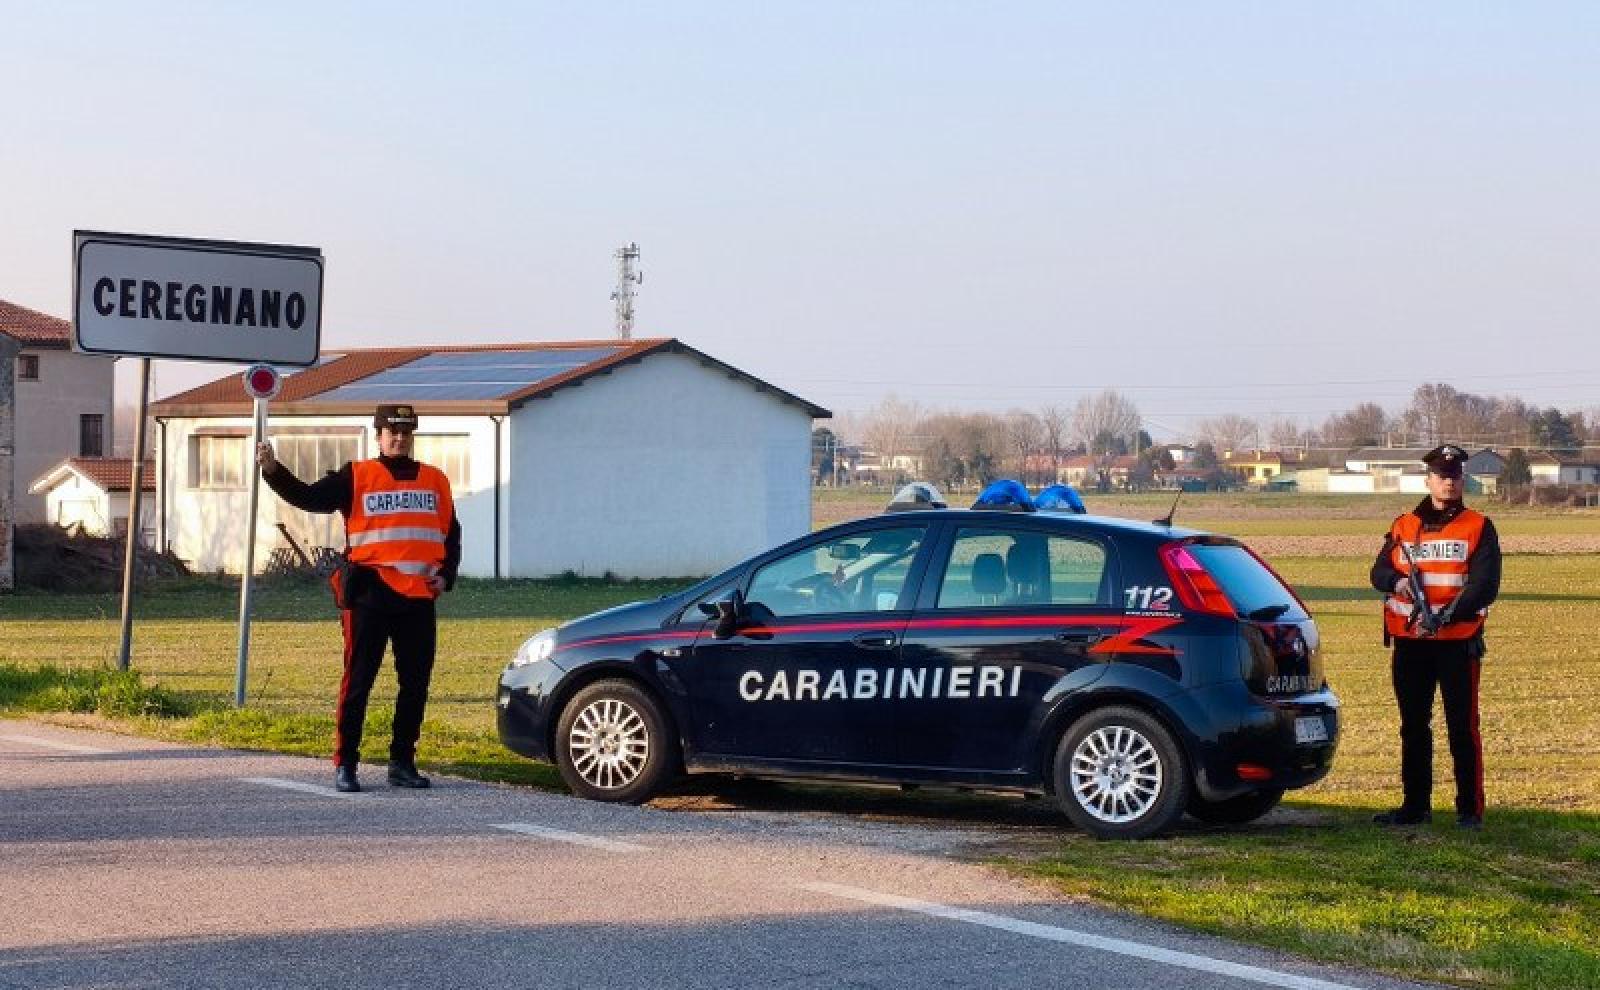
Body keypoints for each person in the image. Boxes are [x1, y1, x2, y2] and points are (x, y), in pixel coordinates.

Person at [256, 403, 461, 793]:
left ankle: (402, 763)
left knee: (415, 684)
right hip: (369, 594)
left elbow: (451, 534)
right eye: (391, 432)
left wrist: (446, 577)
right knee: (358, 682)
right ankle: (346, 764)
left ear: (411, 436)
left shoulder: (436, 480)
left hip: (418, 597)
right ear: (379, 435)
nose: (398, 438)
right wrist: (273, 471)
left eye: (405, 432)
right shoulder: (359, 475)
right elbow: (309, 497)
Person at [1369, 444, 1501, 829]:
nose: (1449, 482)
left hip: (1457, 642)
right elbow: (1377, 573)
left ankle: (1469, 811)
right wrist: (1398, 582)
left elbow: (1485, 586)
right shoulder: (1403, 525)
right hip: (1410, 643)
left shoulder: (1479, 525)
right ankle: (1415, 807)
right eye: (1442, 476)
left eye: (1456, 475)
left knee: (1462, 727)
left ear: (1463, 479)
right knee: (1413, 725)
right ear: (1428, 480)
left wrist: (1443, 617)